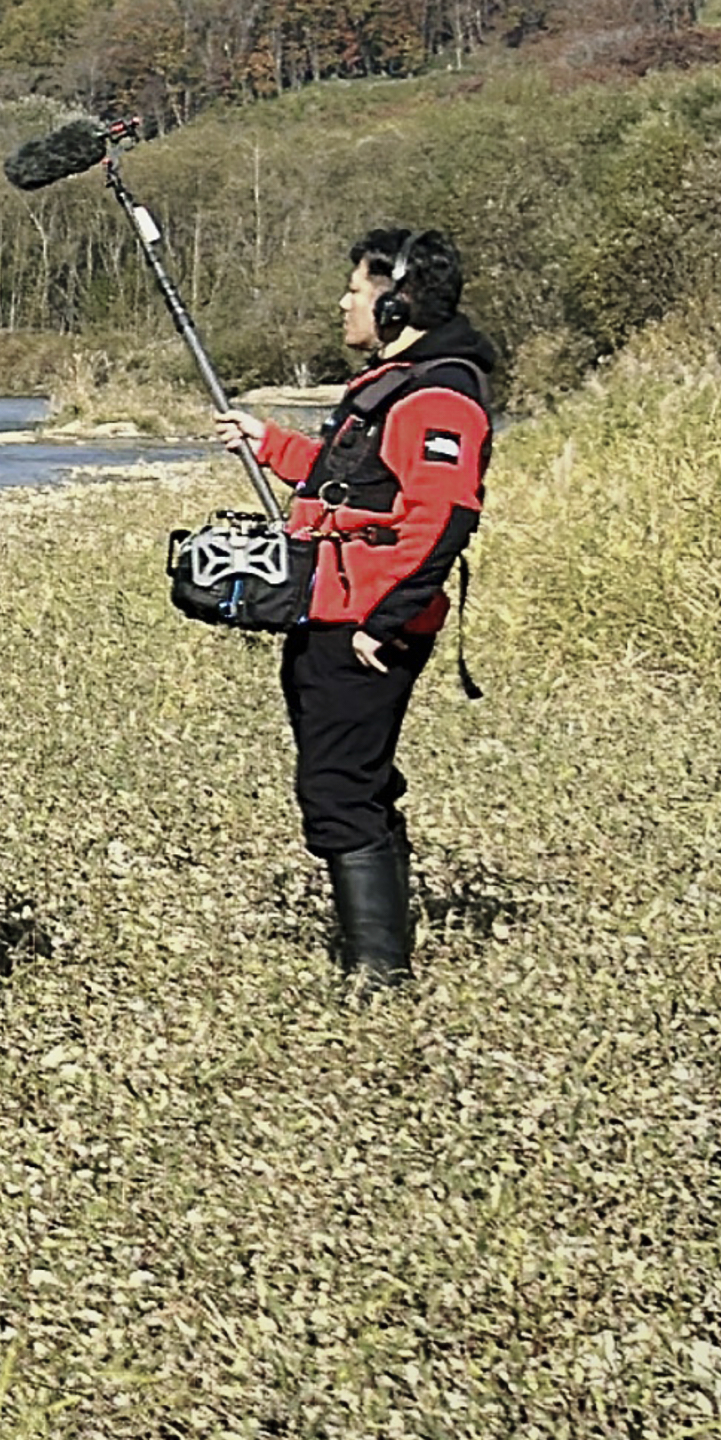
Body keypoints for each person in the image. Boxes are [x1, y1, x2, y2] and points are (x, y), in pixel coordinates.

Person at [211, 229, 493, 989]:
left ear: (398, 303)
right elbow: (353, 483)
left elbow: (442, 518)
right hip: (332, 610)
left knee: (337, 787)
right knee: (355, 776)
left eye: (357, 290)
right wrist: (268, 443)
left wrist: (385, 621)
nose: (343, 303)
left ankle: (379, 970)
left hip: (364, 624)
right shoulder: (393, 387)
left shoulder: (437, 397)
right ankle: (382, 944)